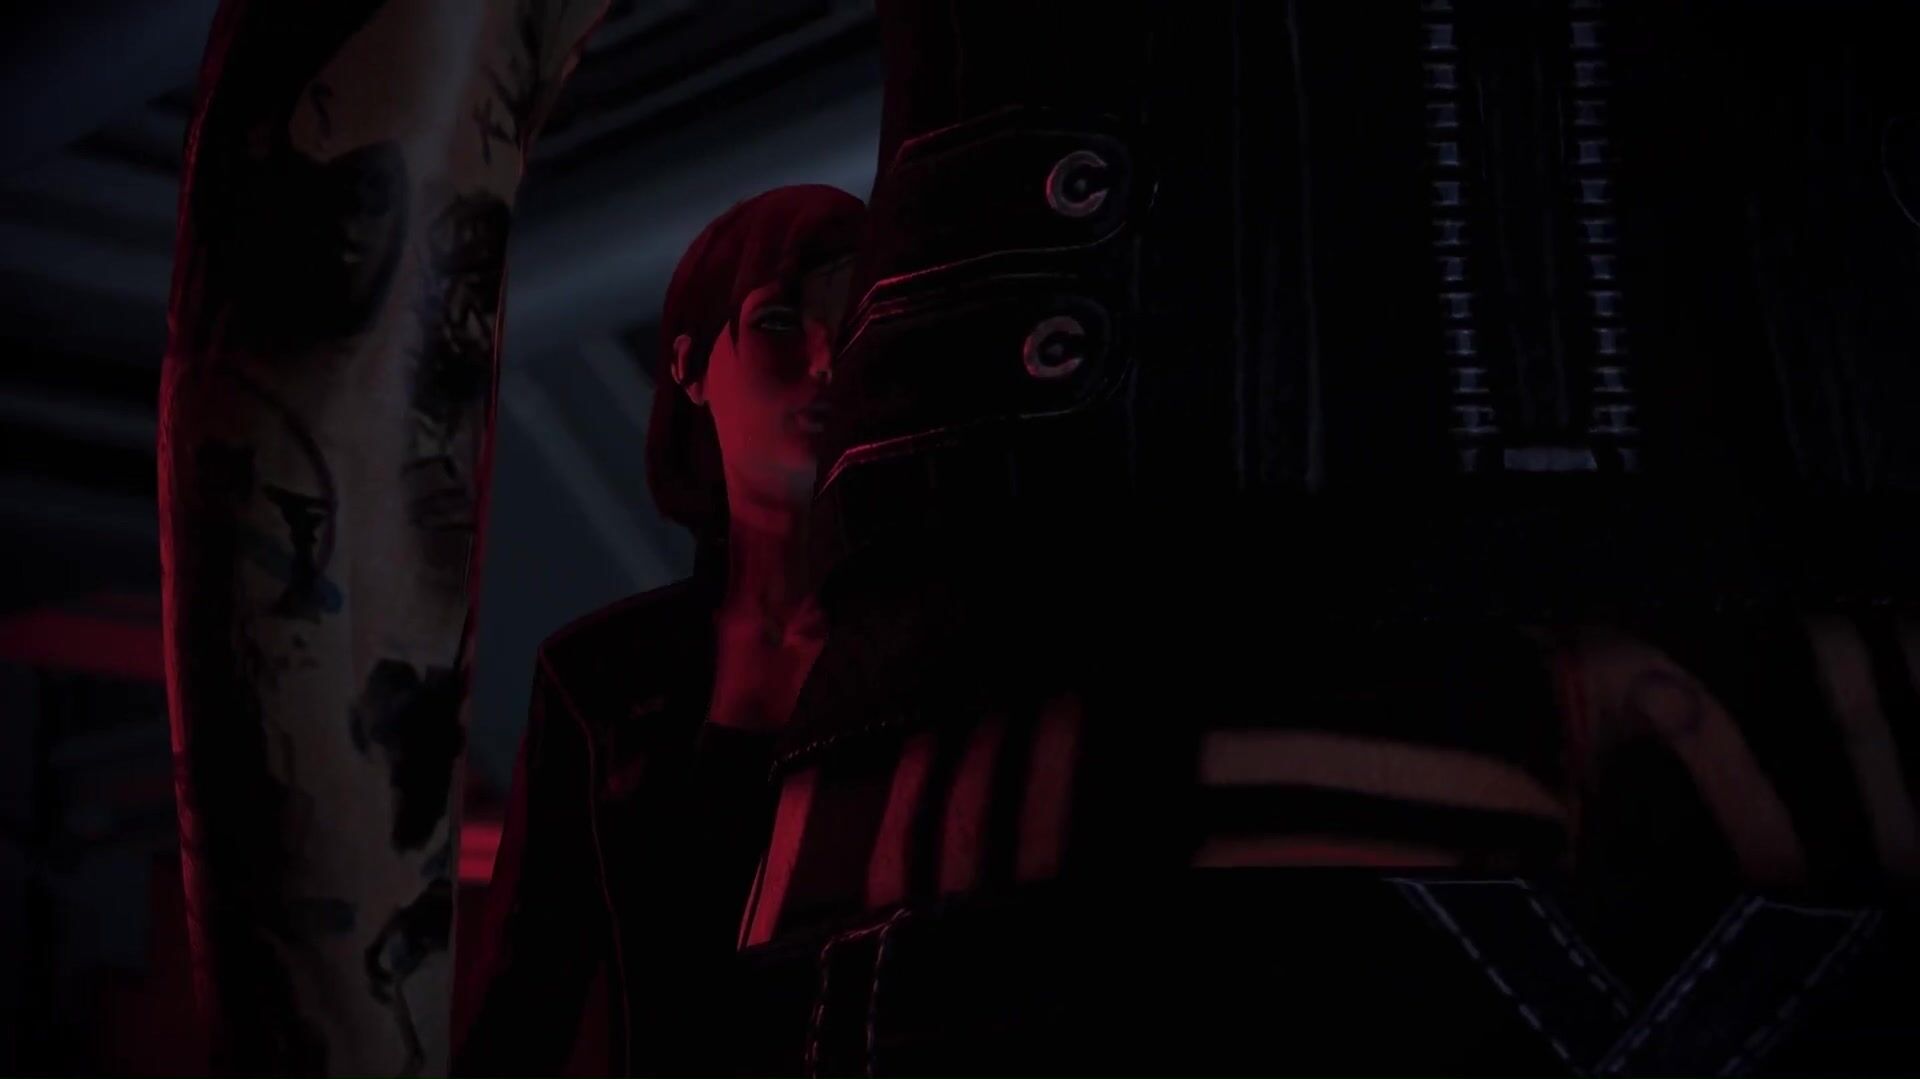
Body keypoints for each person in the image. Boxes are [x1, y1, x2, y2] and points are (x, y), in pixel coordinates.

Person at [454, 184, 864, 1077]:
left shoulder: (934, 638)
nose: (826, 360)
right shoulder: (596, 679)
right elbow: (526, 1002)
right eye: (781, 321)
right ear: (690, 365)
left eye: (855, 324)